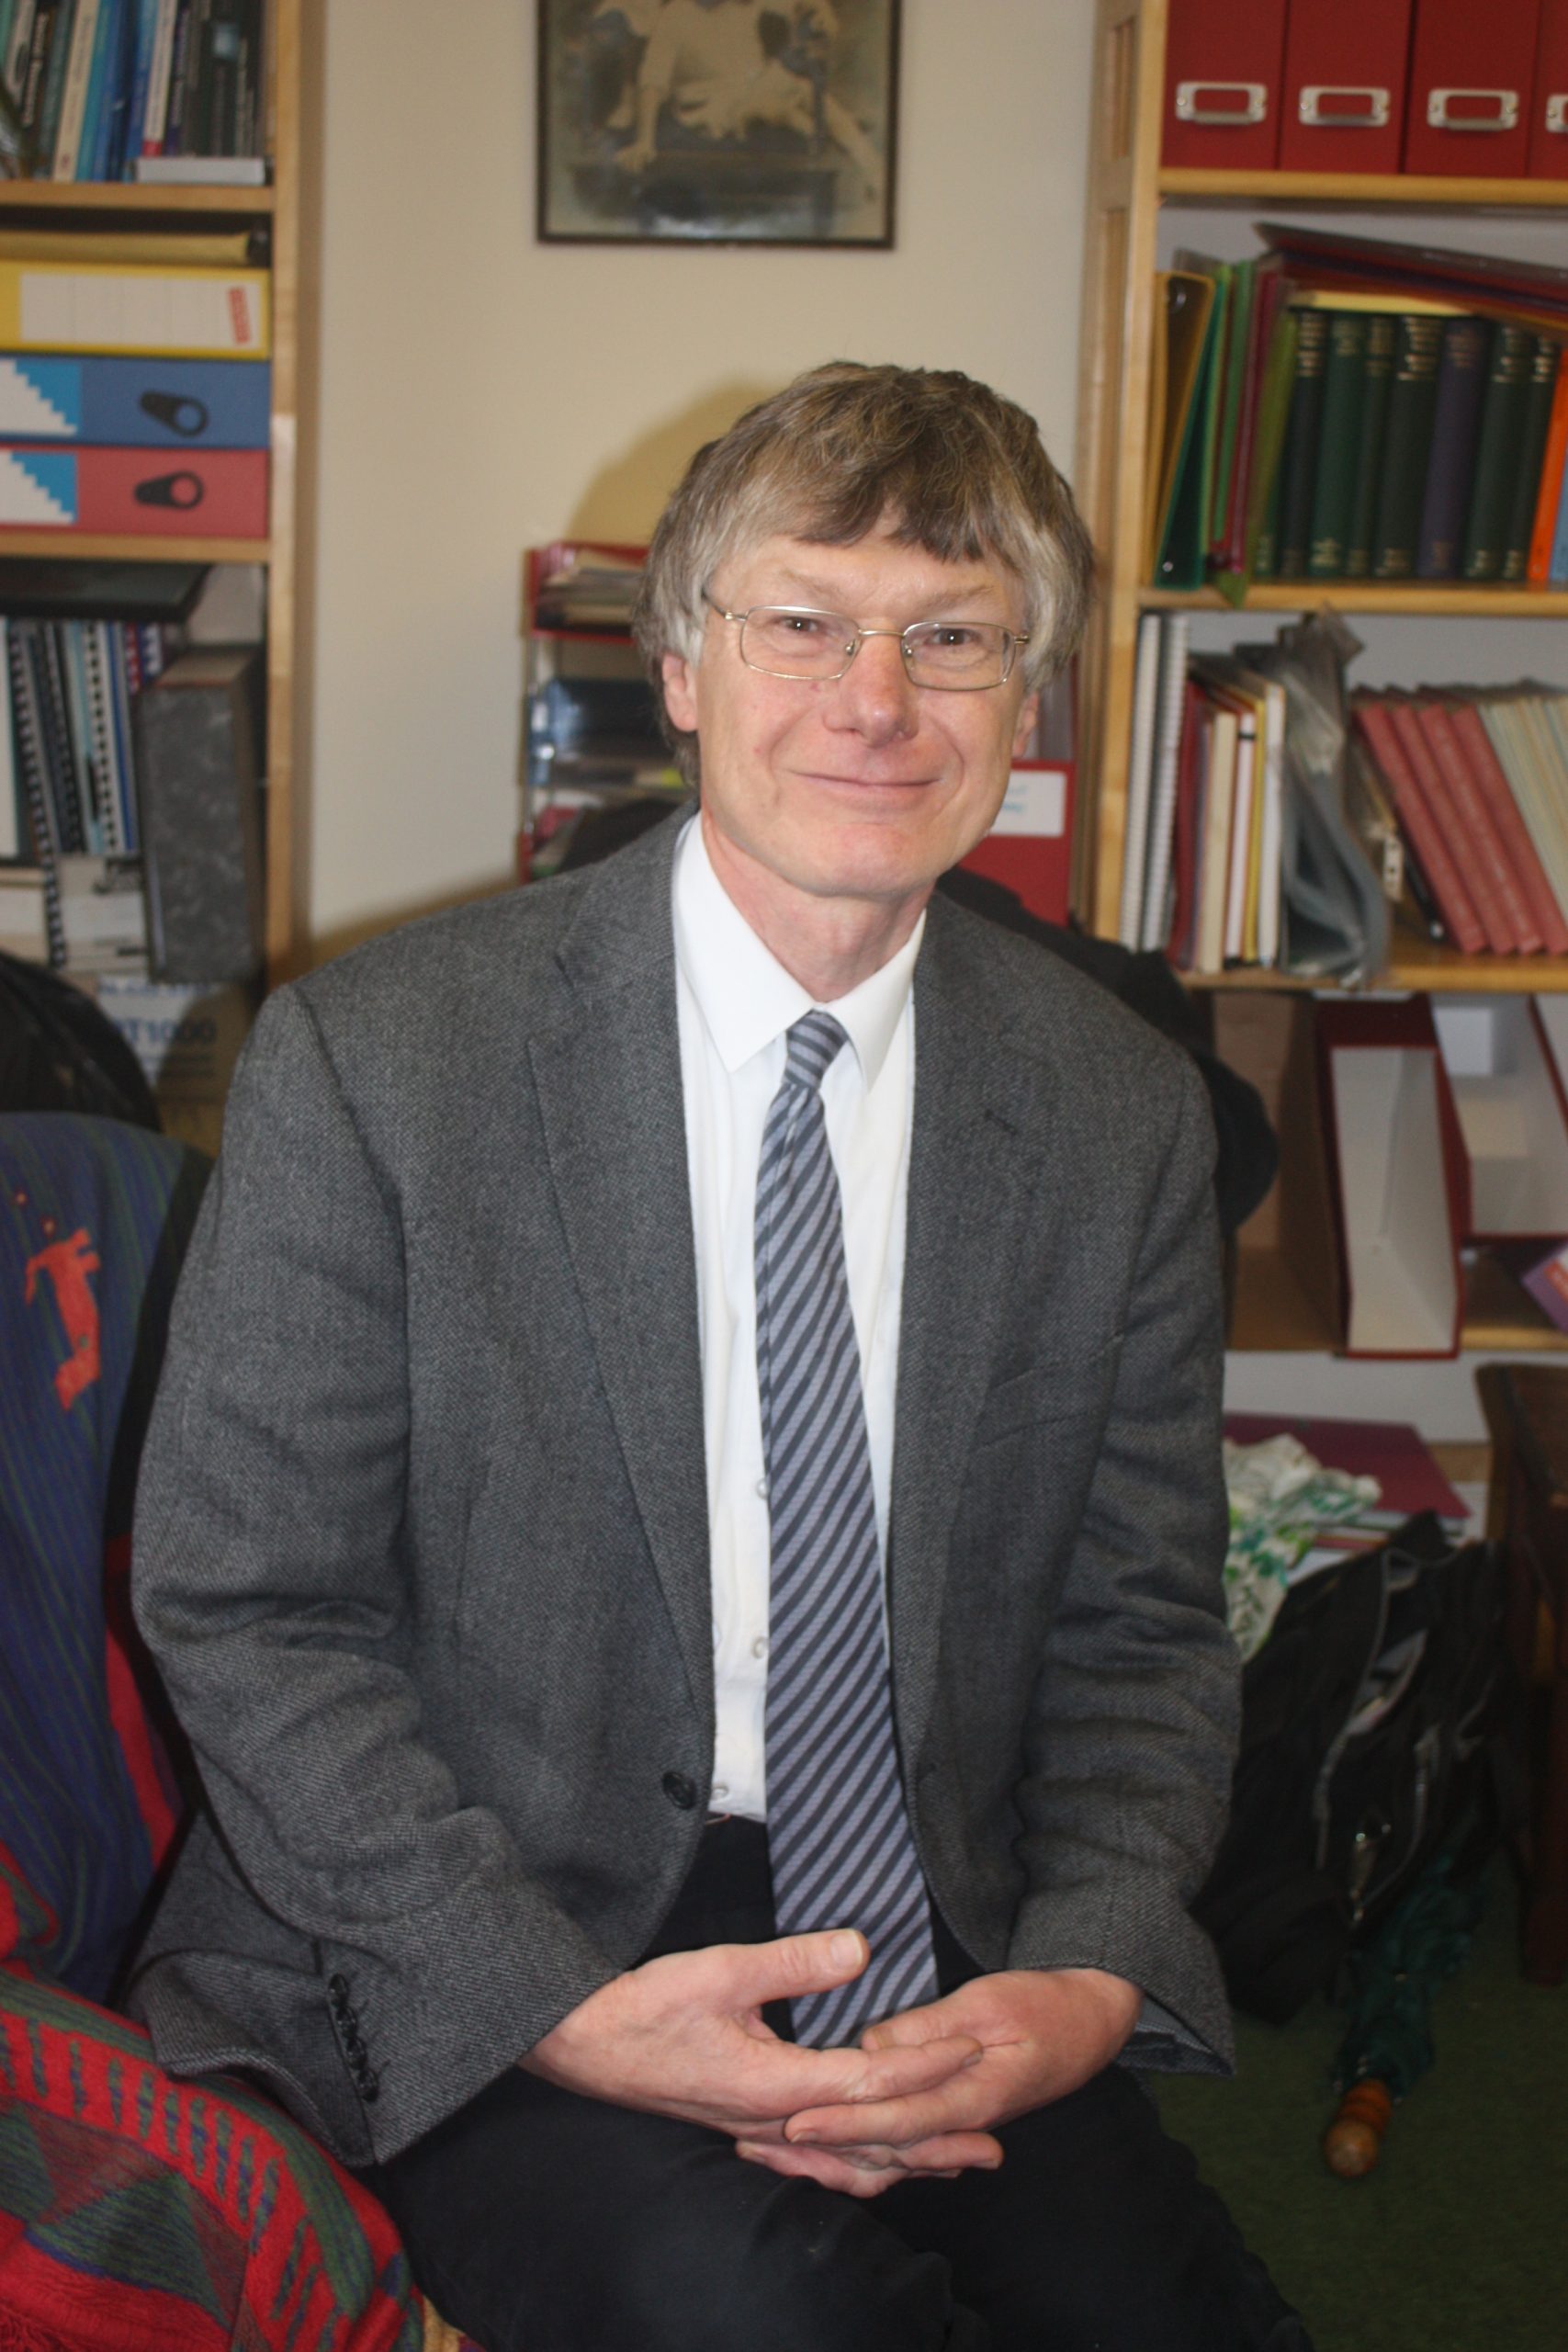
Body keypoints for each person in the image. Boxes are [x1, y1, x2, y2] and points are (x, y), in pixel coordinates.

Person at [130, 361, 1313, 2352]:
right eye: (801, 621)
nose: (874, 700)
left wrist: (1090, 1973)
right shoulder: (378, 1060)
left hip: (929, 1896)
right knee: (771, 2317)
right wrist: (553, 2001)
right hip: (478, 1895)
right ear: (677, 664)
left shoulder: (1117, 1116)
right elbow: (250, 1605)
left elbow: (1137, 1629)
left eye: (949, 638)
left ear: (1023, 710)